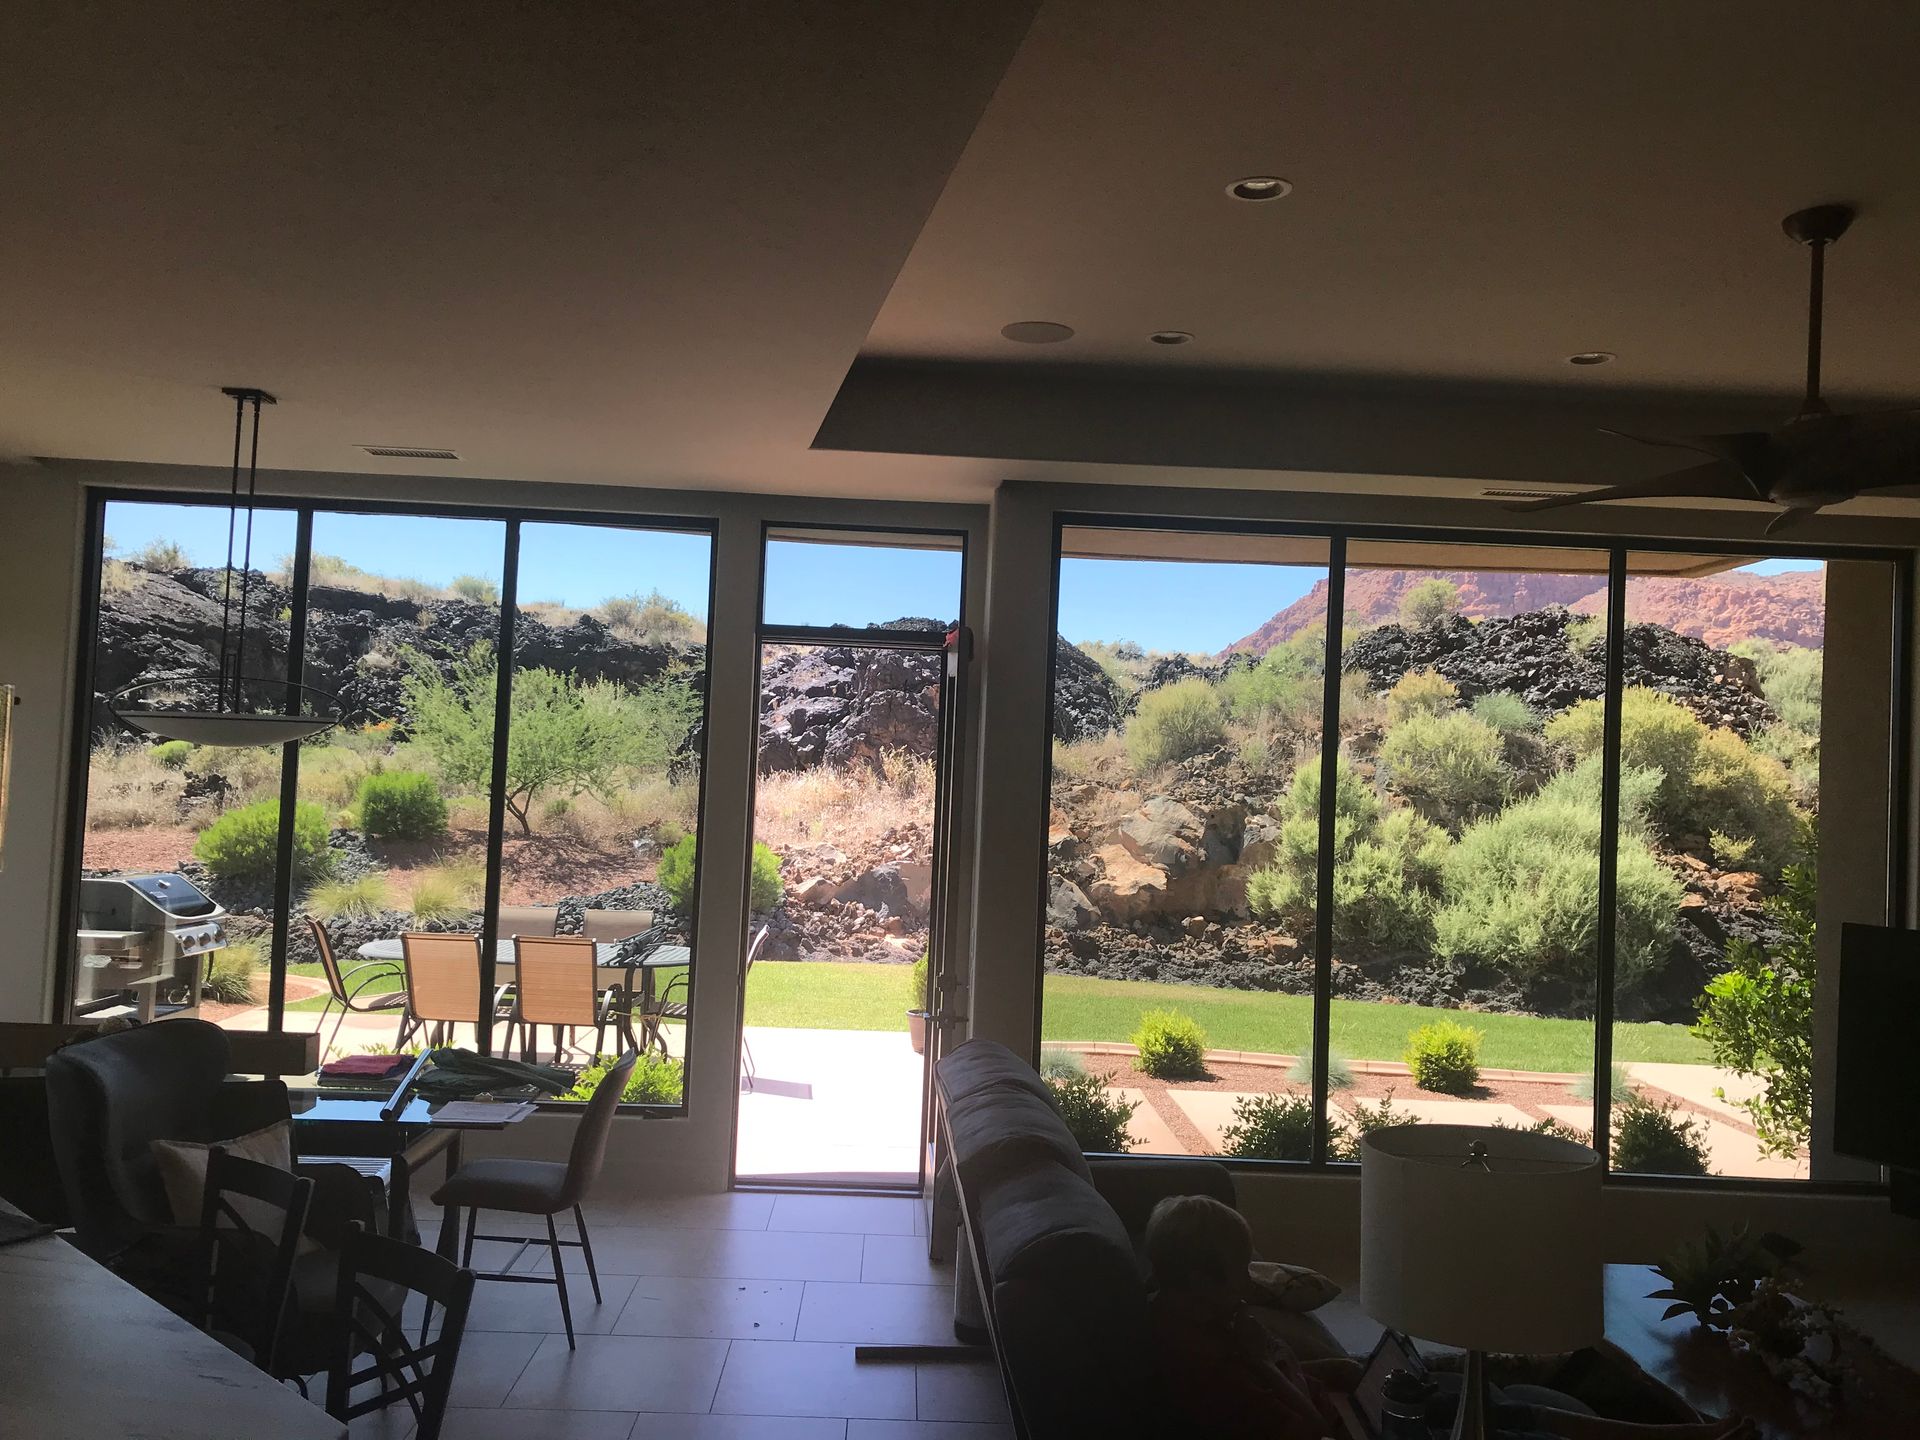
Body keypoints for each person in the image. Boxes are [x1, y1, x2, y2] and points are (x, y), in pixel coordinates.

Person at [1143, 1195, 1758, 1440]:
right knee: (1511, 1421)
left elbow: (1307, 1382)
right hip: (1357, 1428)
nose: (1253, 1281)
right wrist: (1271, 1364)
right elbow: (1309, 1429)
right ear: (1199, 1278)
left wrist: (1345, 1367)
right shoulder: (1210, 1365)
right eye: (1239, 1270)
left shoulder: (1194, 1320)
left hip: (1353, 1401)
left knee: (1485, 1393)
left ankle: (1641, 1413)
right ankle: (1684, 1436)